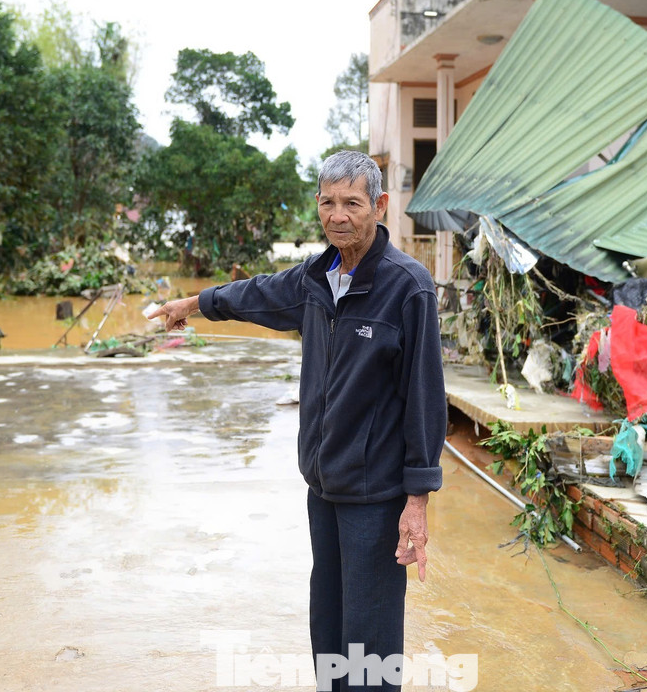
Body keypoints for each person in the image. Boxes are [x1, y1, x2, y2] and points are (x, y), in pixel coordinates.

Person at [146, 150, 446, 691]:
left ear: (379, 206)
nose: (339, 215)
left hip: (376, 496)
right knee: (328, 629)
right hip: (323, 488)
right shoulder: (315, 277)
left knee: (370, 643)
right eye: (328, 203)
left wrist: (417, 500)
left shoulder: (408, 286)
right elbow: (255, 294)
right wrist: (193, 303)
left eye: (352, 203)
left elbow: (425, 397)